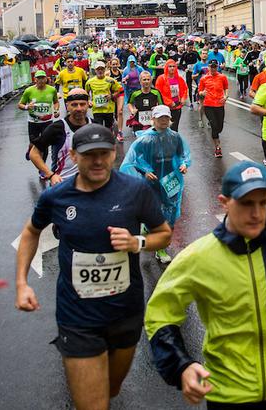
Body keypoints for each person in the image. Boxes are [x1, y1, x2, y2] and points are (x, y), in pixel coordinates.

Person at [144, 161, 266, 409]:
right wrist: (181, 366)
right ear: (224, 202)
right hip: (229, 394)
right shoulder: (198, 257)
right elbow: (160, 315)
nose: (257, 213)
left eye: (263, 201)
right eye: (246, 203)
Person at [15, 124, 172, 410]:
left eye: (104, 153)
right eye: (89, 155)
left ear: (114, 154)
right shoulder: (56, 197)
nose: (98, 161)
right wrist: (22, 283)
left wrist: (137, 242)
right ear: (74, 156)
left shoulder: (135, 191)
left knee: (111, 388)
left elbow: (163, 233)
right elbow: (30, 232)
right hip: (77, 317)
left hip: (125, 312)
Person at [119, 105, 190, 265]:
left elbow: (182, 154)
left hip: (170, 180)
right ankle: (160, 248)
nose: (163, 121)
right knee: (156, 211)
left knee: (170, 211)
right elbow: (133, 159)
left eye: (166, 118)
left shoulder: (175, 137)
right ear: (153, 120)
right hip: (151, 182)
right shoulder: (145, 139)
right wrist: (145, 171)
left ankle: (160, 240)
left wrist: (184, 164)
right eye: (160, 118)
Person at [30, 88, 91, 185]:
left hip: (91, 185)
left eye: (82, 104)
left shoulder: (95, 126)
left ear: (88, 104)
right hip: (63, 185)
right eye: (74, 105)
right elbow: (34, 153)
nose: (79, 108)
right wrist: (51, 175)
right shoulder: (57, 128)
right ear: (67, 106)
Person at [18, 70, 59, 159]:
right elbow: (20, 105)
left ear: (46, 79)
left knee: (45, 143)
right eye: (38, 78)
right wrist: (27, 107)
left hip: (47, 121)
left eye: (42, 78)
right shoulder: (29, 91)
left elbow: (56, 102)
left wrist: (56, 110)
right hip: (33, 121)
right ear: (35, 79)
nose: (41, 80)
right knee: (33, 143)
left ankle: (42, 166)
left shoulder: (52, 90)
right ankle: (30, 149)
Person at [198, 59, 229, 158]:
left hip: (220, 105)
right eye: (211, 66)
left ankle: (216, 137)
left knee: (219, 127)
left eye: (215, 66)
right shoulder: (204, 78)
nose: (213, 68)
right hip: (208, 105)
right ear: (208, 67)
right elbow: (200, 91)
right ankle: (218, 148)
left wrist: (225, 96)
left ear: (217, 67)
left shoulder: (222, 77)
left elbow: (226, 88)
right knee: (214, 126)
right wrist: (202, 93)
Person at [85, 61, 123, 138]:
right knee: (99, 128)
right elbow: (86, 93)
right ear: (95, 70)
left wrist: (112, 96)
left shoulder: (110, 80)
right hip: (97, 109)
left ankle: (109, 142)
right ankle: (102, 144)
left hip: (108, 109)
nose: (100, 71)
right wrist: (88, 101)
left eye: (102, 69)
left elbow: (119, 90)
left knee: (108, 128)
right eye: (98, 69)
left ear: (105, 69)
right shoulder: (90, 82)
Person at [155, 59, 188, 131]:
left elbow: (185, 89)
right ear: (166, 67)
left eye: (174, 66)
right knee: (164, 128)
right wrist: (169, 102)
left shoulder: (179, 79)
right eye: (170, 66)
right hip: (165, 108)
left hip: (177, 107)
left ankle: (173, 141)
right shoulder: (161, 79)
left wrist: (183, 98)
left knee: (174, 128)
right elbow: (158, 93)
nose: (172, 68)